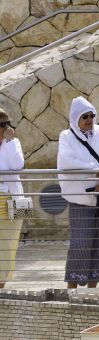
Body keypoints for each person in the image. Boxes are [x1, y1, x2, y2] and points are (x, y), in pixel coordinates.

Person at [58, 97, 99, 289]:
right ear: (75, 118)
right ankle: (71, 290)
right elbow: (67, 162)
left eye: (91, 115)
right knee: (80, 244)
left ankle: (93, 291)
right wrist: (95, 172)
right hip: (81, 199)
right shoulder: (66, 136)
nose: (89, 119)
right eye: (84, 116)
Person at [0, 109, 25, 288]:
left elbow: (17, 166)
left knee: (10, 245)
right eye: (2, 125)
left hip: (15, 198)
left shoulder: (14, 142)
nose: (6, 128)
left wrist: (9, 142)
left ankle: (2, 284)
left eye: (7, 124)